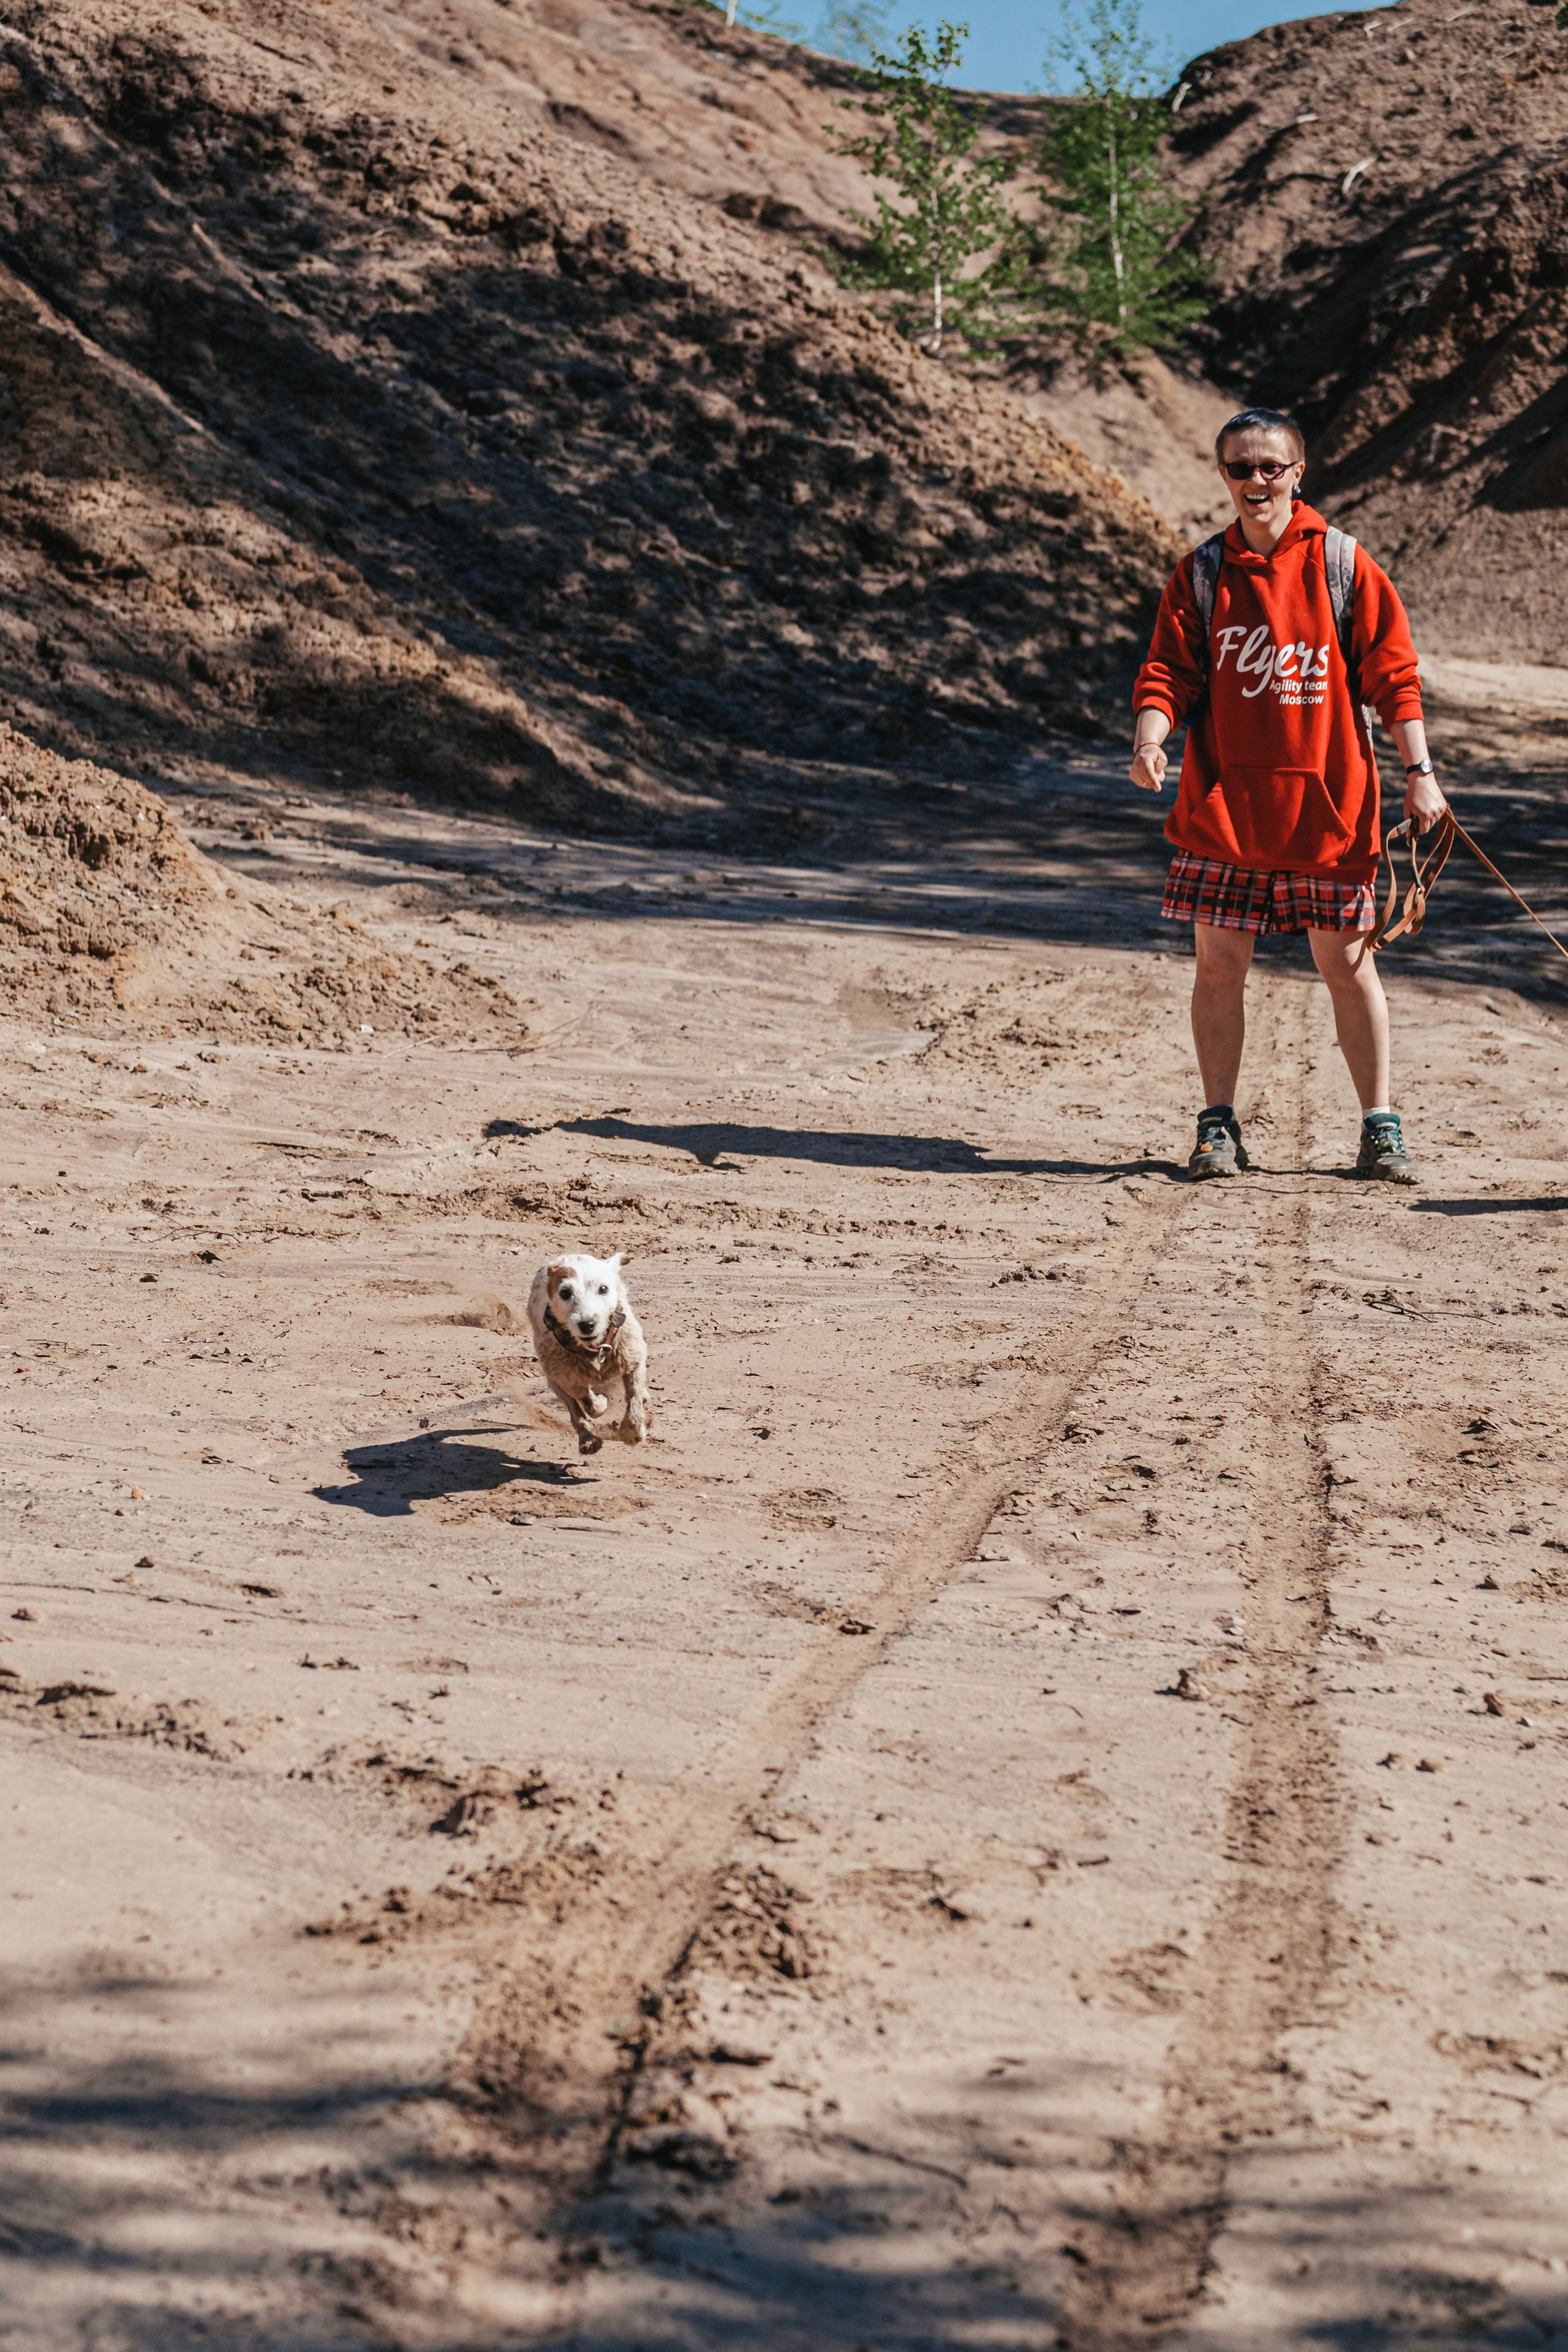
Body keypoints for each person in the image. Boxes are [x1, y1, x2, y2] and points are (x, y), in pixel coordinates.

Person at [1129, 406, 1446, 1185]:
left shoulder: (1342, 564)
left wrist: (1421, 773)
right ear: (1223, 476)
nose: (1256, 480)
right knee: (1217, 967)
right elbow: (1167, 672)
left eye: (1270, 466)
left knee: (1348, 965)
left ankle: (1379, 1128)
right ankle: (1216, 1124)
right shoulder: (1202, 573)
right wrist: (1149, 739)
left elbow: (1393, 677)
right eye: (1240, 467)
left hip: (1328, 811)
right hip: (1226, 811)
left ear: (1298, 473)